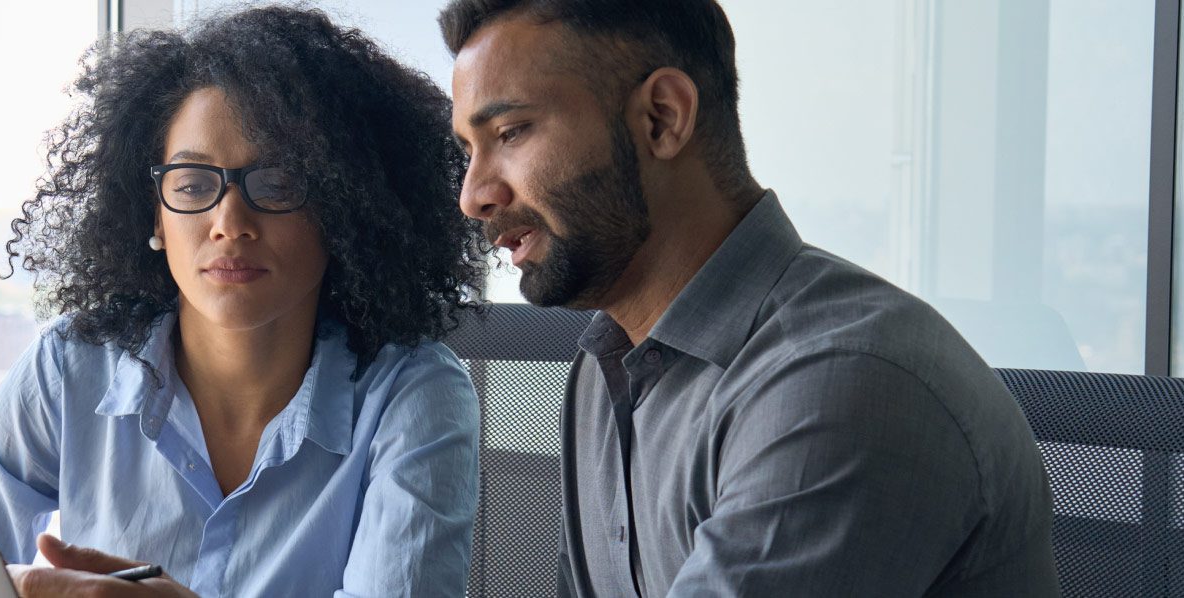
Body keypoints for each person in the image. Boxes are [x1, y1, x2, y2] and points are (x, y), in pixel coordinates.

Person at [439, 0, 1059, 595]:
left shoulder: (839, 381)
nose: (474, 196)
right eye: (470, 150)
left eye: (511, 131)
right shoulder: (606, 368)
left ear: (662, 117)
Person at [0, 6, 489, 597]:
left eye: (275, 183)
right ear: (155, 216)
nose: (229, 223)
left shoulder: (414, 395)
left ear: (345, 210)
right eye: (193, 185)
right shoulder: (72, 366)